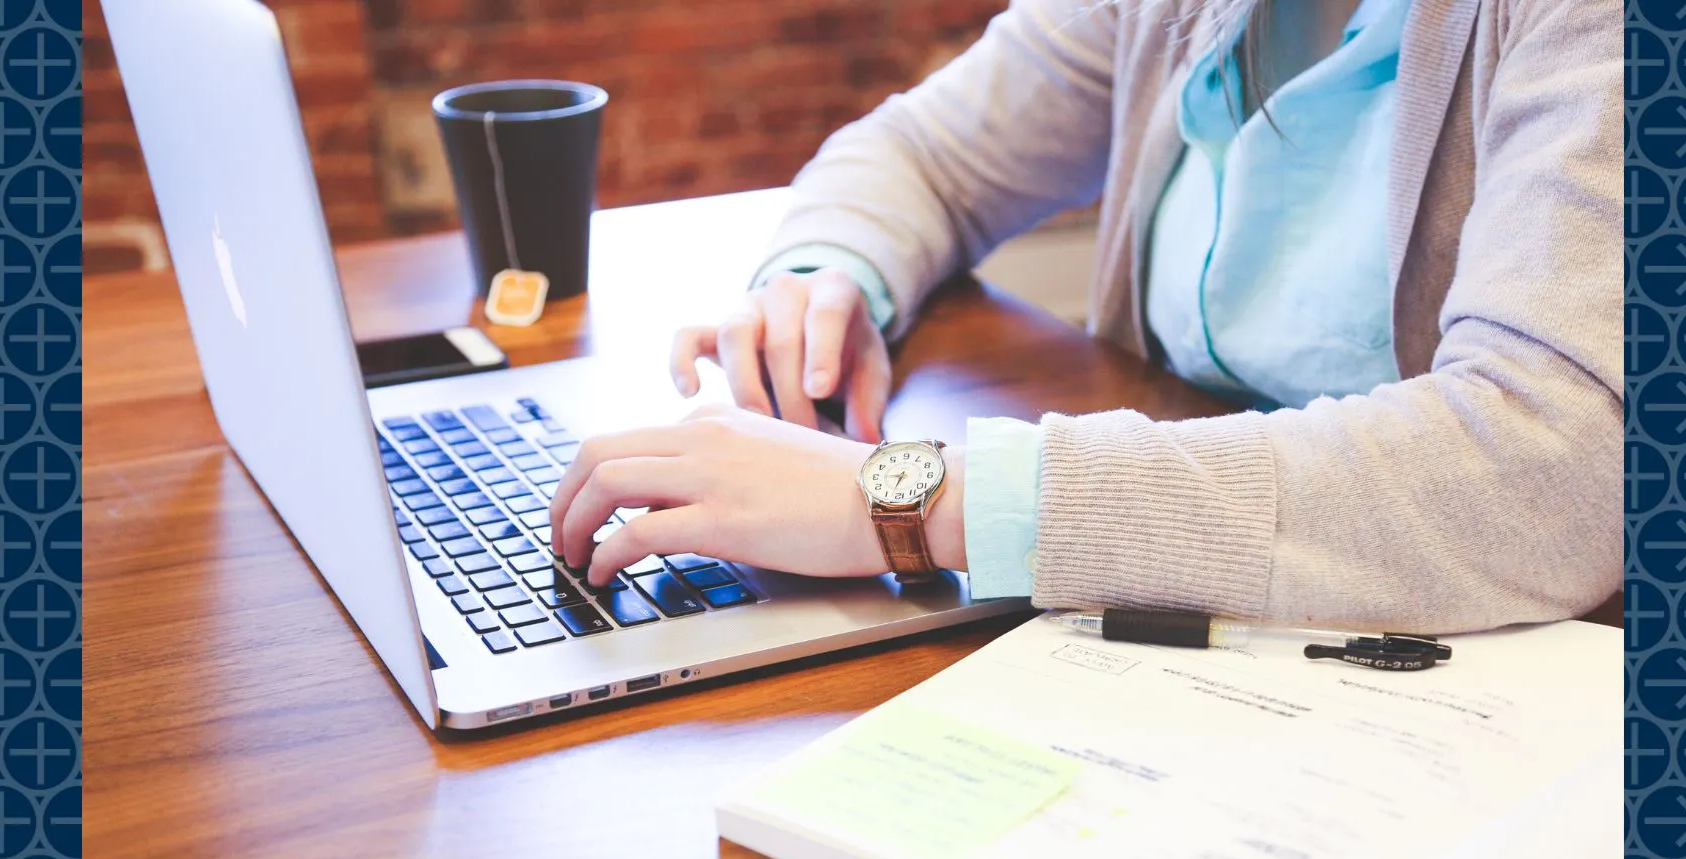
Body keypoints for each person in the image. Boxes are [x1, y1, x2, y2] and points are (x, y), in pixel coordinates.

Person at [547, 0, 1620, 633]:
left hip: (1490, 675)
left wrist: (910, 501)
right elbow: (928, 153)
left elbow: (1556, 464)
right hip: (1212, 632)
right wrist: (827, 277)